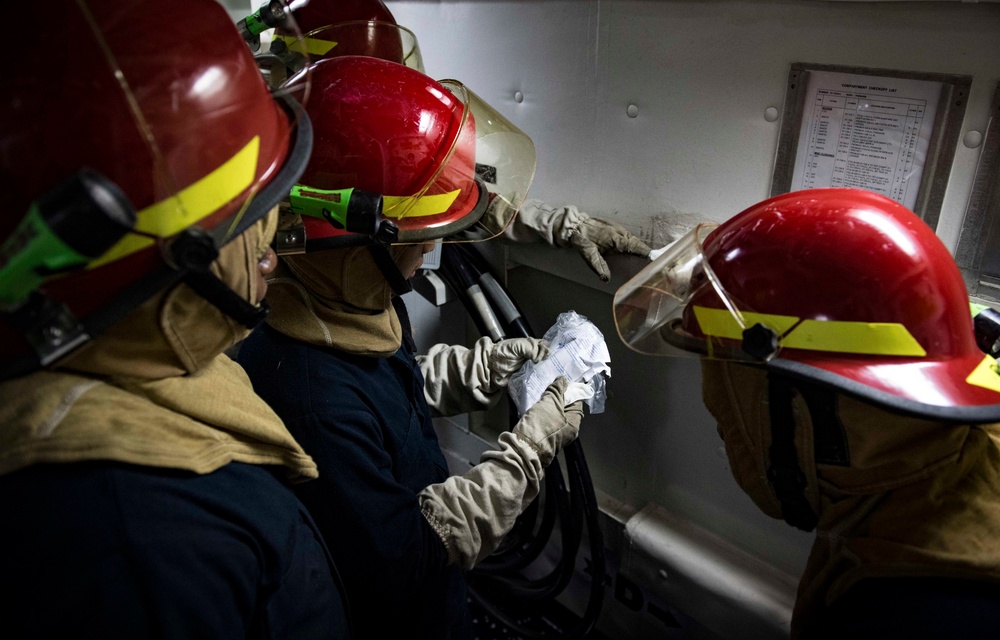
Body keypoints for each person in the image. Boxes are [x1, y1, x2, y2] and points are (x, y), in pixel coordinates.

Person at [0, 1, 349, 637]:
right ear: (174, 255)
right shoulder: (140, 545)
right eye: (249, 227)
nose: (272, 257)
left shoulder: (143, 384)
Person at [237, 54, 587, 639]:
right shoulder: (309, 399)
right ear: (350, 241)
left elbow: (386, 390)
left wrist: (482, 370)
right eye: (420, 239)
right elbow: (409, 557)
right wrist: (529, 451)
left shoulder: (348, 299)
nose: (430, 252)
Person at [612, 187, 1000, 639]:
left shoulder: (915, 616)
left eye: (725, 376)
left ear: (802, 402)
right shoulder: (943, 470)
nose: (718, 413)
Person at [279, 0, 654, 283]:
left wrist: (564, 226)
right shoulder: (277, 176)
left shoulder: (381, 123)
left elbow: (466, 187)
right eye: (368, 79)